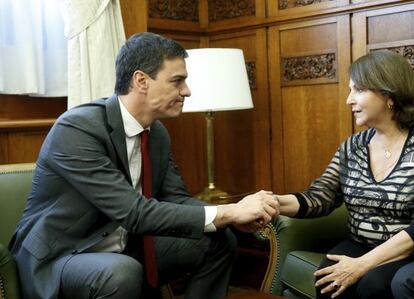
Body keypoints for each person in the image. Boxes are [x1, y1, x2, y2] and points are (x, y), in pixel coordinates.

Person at [9, 32, 279, 299]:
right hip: (64, 256)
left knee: (219, 241)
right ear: (141, 81)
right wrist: (228, 212)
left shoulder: (156, 133)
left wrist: (230, 218)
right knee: (120, 271)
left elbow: (178, 200)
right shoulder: (78, 128)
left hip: (126, 247)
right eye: (177, 81)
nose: (187, 91)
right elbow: (134, 213)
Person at [274, 50, 414, 299]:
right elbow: (321, 197)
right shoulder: (353, 146)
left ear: (388, 94)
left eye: (358, 90)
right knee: (328, 276)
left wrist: (363, 264)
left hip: (405, 251)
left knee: (374, 284)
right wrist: (273, 204)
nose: (349, 99)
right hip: (360, 243)